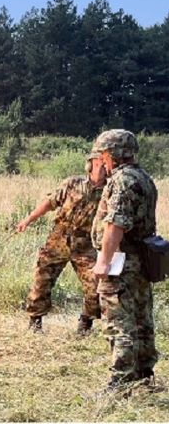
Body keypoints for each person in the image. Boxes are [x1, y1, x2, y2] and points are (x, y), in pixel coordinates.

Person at [90, 129, 158, 389]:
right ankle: (143, 375)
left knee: (119, 322)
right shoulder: (143, 178)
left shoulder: (121, 181)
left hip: (121, 262)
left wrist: (104, 262)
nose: (102, 160)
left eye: (103, 155)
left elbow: (115, 225)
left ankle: (120, 383)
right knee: (141, 318)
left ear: (111, 154)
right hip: (141, 261)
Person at [17, 153, 107, 333]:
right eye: (98, 164)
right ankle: (35, 322)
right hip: (59, 237)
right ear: (90, 165)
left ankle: (86, 321)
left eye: (105, 164)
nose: (101, 168)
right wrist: (28, 219)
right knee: (42, 278)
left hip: (86, 243)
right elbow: (49, 203)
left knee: (96, 284)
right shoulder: (72, 183)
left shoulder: (110, 190)